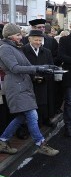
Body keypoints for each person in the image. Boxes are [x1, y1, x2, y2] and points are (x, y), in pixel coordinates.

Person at [0, 23, 59, 156]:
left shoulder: (15, 48)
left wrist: (48, 67)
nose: (21, 37)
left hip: (23, 85)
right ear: (9, 36)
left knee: (22, 116)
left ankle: (3, 141)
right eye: (18, 35)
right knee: (32, 114)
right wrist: (38, 69)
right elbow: (14, 68)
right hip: (15, 87)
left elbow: (29, 65)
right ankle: (40, 144)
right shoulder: (5, 48)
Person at [21, 30, 55, 127]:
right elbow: (21, 67)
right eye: (36, 40)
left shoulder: (47, 52)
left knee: (44, 103)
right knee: (30, 105)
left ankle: (44, 119)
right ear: (29, 39)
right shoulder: (23, 51)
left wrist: (44, 77)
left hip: (43, 82)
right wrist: (33, 77)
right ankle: (28, 125)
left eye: (40, 40)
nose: (38, 43)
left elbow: (50, 67)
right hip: (28, 83)